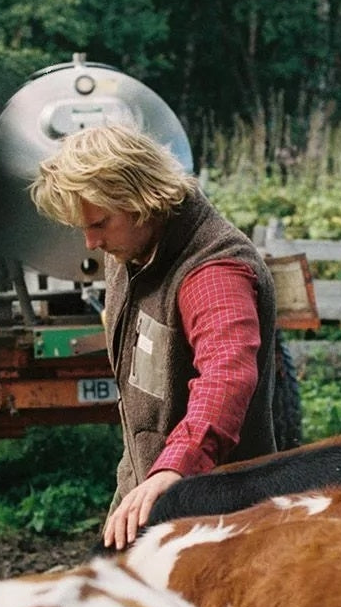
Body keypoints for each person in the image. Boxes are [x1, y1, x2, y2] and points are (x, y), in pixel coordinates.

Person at [30, 123, 277, 549]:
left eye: (100, 223)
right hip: (146, 498)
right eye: (83, 227)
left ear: (141, 200)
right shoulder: (135, 250)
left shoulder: (212, 271)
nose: (91, 242)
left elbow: (226, 375)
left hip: (218, 518)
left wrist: (175, 467)